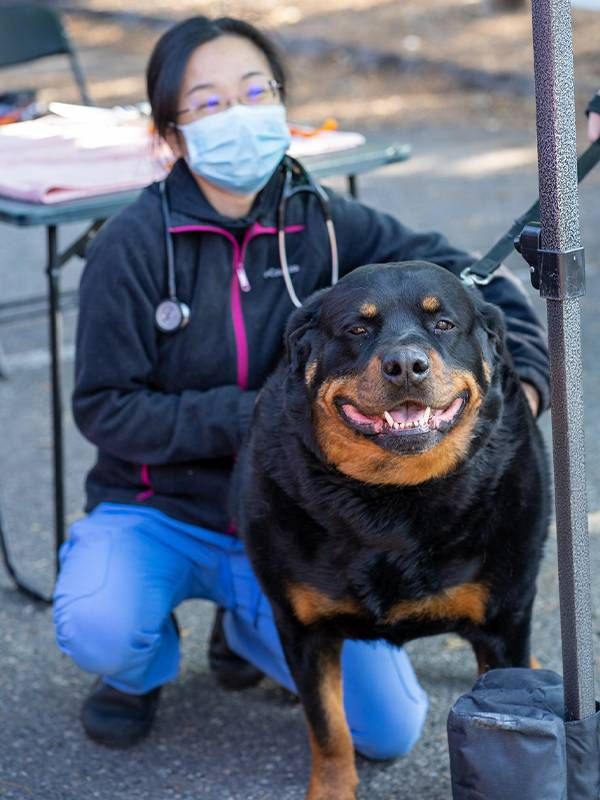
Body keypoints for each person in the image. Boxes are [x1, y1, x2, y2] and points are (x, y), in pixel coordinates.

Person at [52, 15, 549, 756]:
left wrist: (529, 378)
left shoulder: (329, 224)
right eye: (211, 103)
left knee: (389, 732)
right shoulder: (126, 249)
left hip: (305, 525)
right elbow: (104, 408)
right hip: (168, 512)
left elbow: (470, 282)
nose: (241, 115)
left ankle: (250, 630)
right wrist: (267, 417)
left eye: (256, 92)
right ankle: (141, 669)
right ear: (172, 130)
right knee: (100, 625)